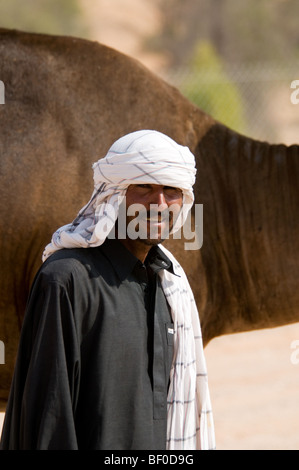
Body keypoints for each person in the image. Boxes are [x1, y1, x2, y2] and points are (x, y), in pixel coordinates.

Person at [0, 130, 215, 450]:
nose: (159, 203)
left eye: (171, 189)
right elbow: (49, 422)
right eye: (144, 186)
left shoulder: (171, 285)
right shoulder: (66, 281)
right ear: (113, 194)